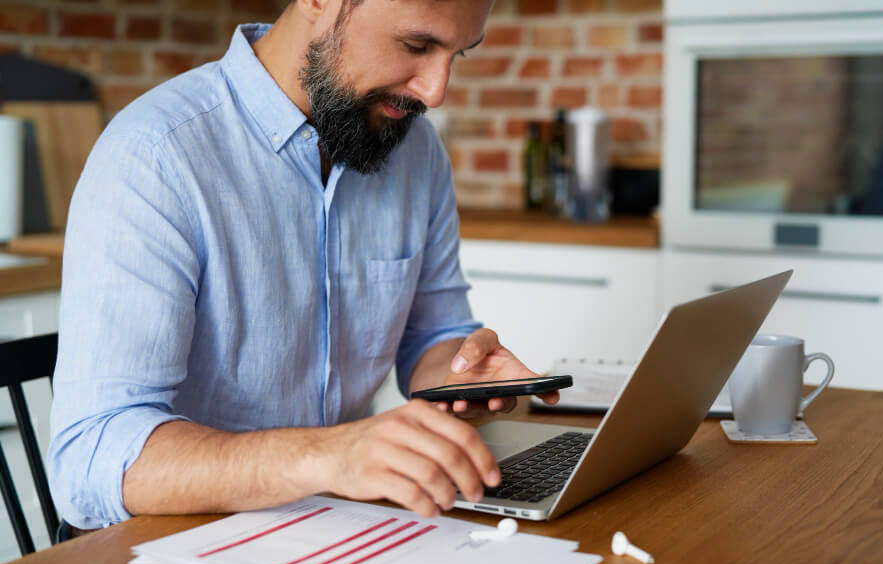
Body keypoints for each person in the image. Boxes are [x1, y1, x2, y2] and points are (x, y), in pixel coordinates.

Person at [48, 0, 558, 531]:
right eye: (416, 45)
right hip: (170, 543)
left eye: (458, 54)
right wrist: (327, 455)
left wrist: (463, 373)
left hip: (335, 522)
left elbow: (434, 337)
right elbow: (91, 455)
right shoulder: (155, 155)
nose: (435, 92)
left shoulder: (415, 151)